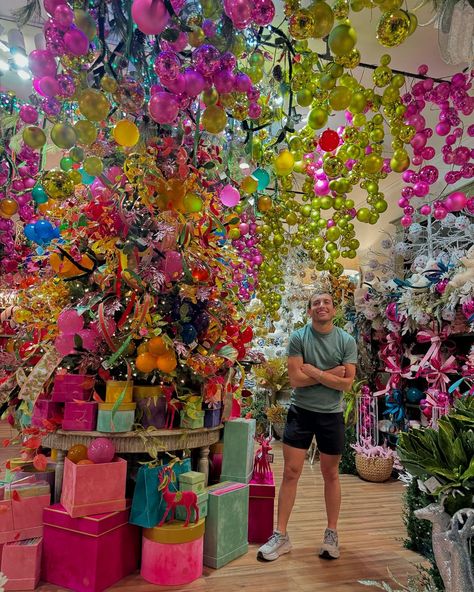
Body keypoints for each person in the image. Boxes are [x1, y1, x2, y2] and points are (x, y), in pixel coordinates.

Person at [257, 291, 357, 562]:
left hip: (331, 415)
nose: (321, 306)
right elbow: (295, 379)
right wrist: (328, 375)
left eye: (326, 302)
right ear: (309, 311)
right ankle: (281, 535)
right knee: (290, 472)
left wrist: (313, 371)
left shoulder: (347, 341)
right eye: (316, 303)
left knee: (331, 474)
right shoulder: (299, 337)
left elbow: (347, 383)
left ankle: (331, 533)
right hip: (301, 412)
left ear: (333, 309)